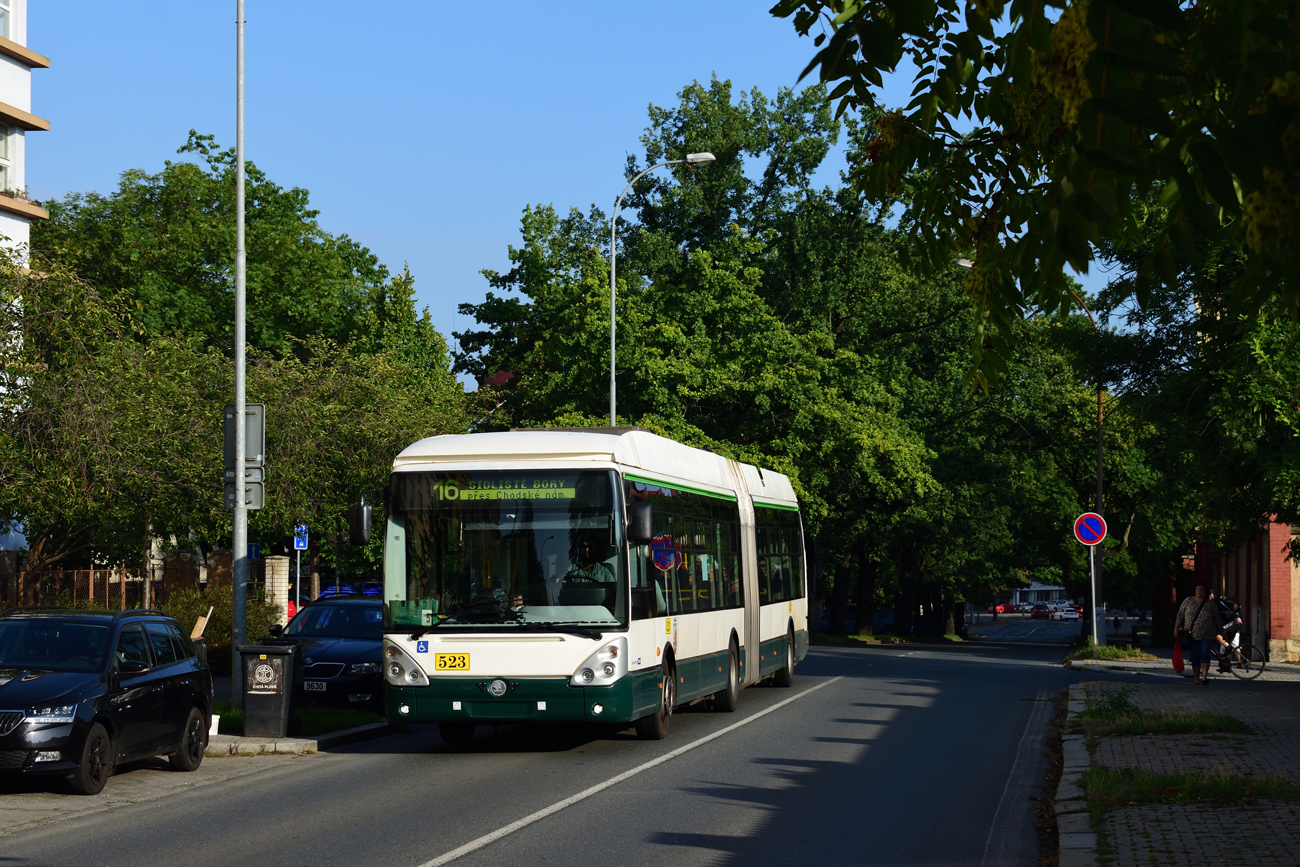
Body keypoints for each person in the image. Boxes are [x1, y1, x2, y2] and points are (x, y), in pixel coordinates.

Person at [1175, 582, 1230, 685]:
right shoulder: (1188, 601)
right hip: (1192, 635)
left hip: (1207, 634)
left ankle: (1204, 677)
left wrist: (1223, 632)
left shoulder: (1211, 604)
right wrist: (1176, 628)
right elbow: (1180, 616)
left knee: (1205, 654)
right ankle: (1196, 678)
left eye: (1202, 589)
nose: (1199, 591)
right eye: (1197, 589)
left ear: (1206, 592)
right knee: (1195, 656)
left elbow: (1217, 620)